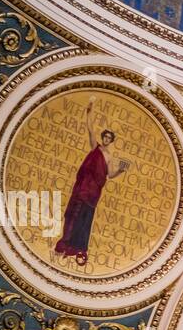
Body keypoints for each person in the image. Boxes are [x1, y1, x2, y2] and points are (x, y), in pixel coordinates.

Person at [55, 97, 130, 267]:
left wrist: (121, 170)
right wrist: (89, 111)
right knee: (73, 215)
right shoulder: (95, 147)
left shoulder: (109, 157)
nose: (106, 139)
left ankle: (78, 247)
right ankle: (66, 243)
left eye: (109, 138)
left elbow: (110, 174)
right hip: (82, 189)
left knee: (84, 220)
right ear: (103, 138)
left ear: (111, 141)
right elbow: (90, 129)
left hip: (93, 193)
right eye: (105, 137)